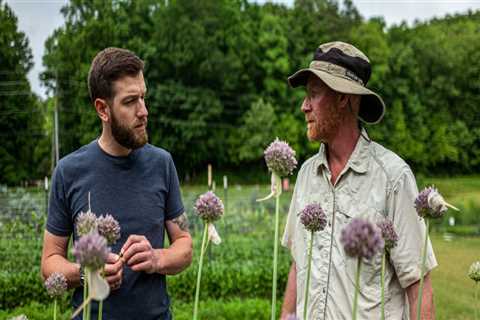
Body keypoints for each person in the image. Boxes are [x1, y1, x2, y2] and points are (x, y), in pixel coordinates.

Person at [280, 42, 437, 319]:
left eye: (314, 95)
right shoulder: (306, 174)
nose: (305, 106)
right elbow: (298, 264)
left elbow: (419, 286)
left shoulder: (393, 177)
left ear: (343, 98)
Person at [41, 47, 193, 320]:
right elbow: (50, 263)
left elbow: (184, 245)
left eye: (143, 97)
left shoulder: (162, 164)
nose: (144, 111)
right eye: (130, 101)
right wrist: (87, 272)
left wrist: (157, 258)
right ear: (103, 109)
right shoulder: (68, 172)